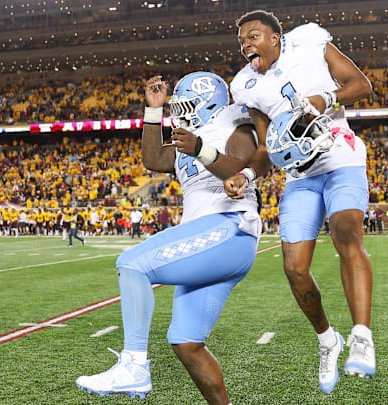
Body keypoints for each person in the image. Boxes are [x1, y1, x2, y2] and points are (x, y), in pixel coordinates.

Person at [76, 72, 261, 405]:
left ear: (208, 102)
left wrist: (201, 149)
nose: (181, 112)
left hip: (229, 227)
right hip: (214, 239)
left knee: (132, 264)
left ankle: (133, 367)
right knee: (186, 342)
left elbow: (241, 165)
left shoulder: (233, 122)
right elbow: (152, 159)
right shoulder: (188, 137)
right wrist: (153, 111)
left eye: (186, 105)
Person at [224, 10, 375, 392]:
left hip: (339, 153)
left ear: (276, 37)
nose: (246, 44)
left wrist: (324, 98)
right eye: (241, 40)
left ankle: (361, 336)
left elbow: (361, 85)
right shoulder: (245, 85)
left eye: (253, 35)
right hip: (300, 175)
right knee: (294, 268)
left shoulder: (309, 41)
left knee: (345, 232)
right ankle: (328, 340)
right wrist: (247, 174)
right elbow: (264, 146)